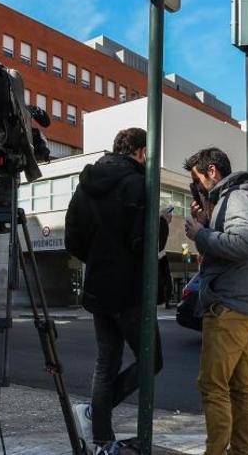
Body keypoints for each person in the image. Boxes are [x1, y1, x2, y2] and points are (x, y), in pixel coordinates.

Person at [64, 128, 167, 454]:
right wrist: (160, 222)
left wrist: (97, 260)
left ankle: (102, 440)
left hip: (99, 288)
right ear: (139, 151)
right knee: (151, 361)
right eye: (147, 153)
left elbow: (72, 240)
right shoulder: (137, 184)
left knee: (106, 362)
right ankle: (97, 415)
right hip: (130, 289)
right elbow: (143, 241)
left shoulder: (86, 186)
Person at [183, 148, 248, 455]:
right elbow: (231, 247)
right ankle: (241, 450)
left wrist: (200, 234)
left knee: (212, 385)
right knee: (238, 385)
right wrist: (207, 224)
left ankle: (217, 452)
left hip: (230, 305)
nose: (197, 186)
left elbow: (243, 245)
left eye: (197, 178)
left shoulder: (238, 198)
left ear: (211, 171)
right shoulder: (231, 199)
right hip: (239, 302)